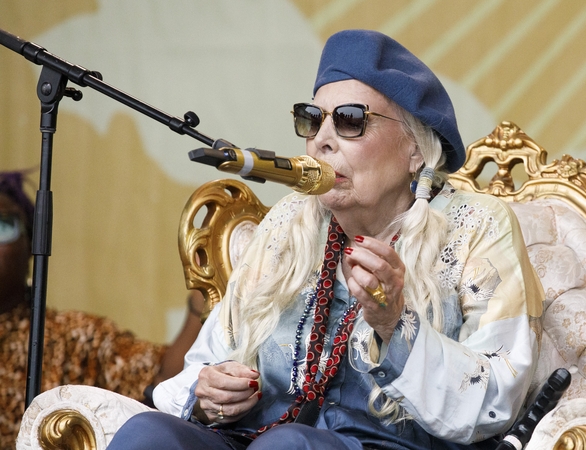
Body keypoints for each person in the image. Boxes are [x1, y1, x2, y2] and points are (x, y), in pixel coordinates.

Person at [108, 29, 543, 450]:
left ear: (415, 149)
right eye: (311, 120)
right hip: (259, 436)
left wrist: (394, 324)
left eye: (351, 120)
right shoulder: (290, 222)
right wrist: (208, 394)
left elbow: (498, 400)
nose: (321, 141)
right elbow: (210, 357)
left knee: (289, 446)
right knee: (148, 434)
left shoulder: (476, 226)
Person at [0, 169, 204, 447]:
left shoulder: (77, 338)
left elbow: (168, 383)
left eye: (2, 226)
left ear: (31, 245)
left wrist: (203, 294)